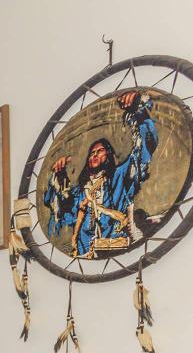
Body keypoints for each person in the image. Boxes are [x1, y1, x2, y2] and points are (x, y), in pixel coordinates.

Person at [43, 90, 157, 257]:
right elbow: (61, 212)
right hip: (84, 257)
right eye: (92, 152)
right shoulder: (80, 192)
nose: (94, 154)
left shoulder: (119, 176)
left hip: (117, 249)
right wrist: (59, 176)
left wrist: (137, 110)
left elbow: (145, 149)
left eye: (100, 151)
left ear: (109, 156)